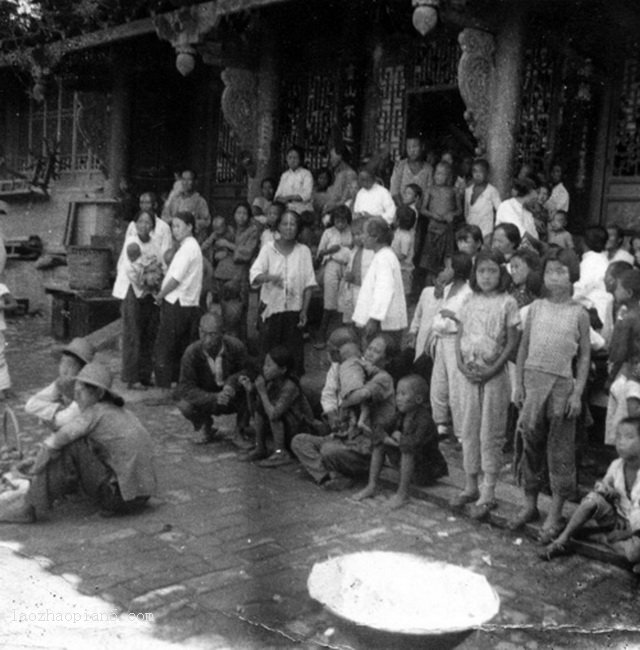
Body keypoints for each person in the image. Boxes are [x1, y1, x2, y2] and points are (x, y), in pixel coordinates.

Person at [0, 362, 156, 522]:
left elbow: (53, 443)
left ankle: (29, 508)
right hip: (141, 496)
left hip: (119, 498)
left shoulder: (95, 413)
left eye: (81, 394)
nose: (78, 398)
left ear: (100, 393)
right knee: (80, 445)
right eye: (76, 393)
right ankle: (66, 490)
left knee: (70, 446)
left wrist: (38, 468)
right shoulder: (122, 413)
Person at [509, 248, 590, 541]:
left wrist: (577, 394)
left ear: (572, 276)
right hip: (533, 384)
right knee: (529, 443)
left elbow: (583, 359)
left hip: (561, 388)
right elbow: (522, 348)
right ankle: (529, 505)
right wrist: (518, 384)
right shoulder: (536, 309)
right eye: (550, 271)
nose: (554, 277)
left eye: (561, 272)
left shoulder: (579, 313)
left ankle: (555, 515)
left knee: (560, 451)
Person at [451, 249, 520, 519]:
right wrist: (459, 362)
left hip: (494, 374)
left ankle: (488, 490)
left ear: (501, 273)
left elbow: (512, 341)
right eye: (482, 271)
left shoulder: (507, 302)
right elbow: (460, 334)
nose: (487, 276)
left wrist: (493, 368)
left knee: (490, 431)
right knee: (468, 427)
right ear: (474, 274)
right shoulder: (468, 300)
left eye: (492, 271)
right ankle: (469, 484)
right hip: (468, 373)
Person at [291, 335, 395, 490]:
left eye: (377, 352)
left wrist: (344, 404)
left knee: (328, 451)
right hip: (346, 439)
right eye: (369, 349)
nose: (370, 354)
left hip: (366, 446)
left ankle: (339, 472)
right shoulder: (359, 371)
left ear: (386, 360)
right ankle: (332, 476)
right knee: (299, 441)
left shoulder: (383, 378)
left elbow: (360, 396)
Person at [540, 416, 640, 565]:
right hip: (617, 518)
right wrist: (607, 489)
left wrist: (626, 533)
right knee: (592, 499)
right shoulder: (617, 465)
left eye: (629, 437)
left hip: (636, 527)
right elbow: (604, 484)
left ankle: (601, 538)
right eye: (618, 436)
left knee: (633, 554)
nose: (621, 442)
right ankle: (562, 540)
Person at [353, 374, 448, 509]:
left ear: (418, 399)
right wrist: (386, 438)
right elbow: (379, 427)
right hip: (409, 465)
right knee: (380, 441)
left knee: (407, 449)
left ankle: (402, 494)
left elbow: (413, 444)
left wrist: (398, 438)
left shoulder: (424, 420)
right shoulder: (401, 414)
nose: (398, 399)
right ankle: (372, 485)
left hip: (426, 470)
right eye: (397, 394)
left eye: (403, 394)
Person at [249, 209, 317, 376]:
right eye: (284, 224)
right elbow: (254, 275)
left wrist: (304, 311)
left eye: (292, 224)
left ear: (298, 228)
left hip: (293, 311)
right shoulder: (268, 249)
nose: (288, 228)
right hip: (271, 310)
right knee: (268, 355)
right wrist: (271, 277)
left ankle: (291, 392)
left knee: (293, 358)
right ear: (278, 227)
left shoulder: (304, 251)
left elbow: (309, 284)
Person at [176, 312, 249, 445]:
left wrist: (232, 383)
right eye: (204, 333)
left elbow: (248, 370)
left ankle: (240, 430)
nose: (207, 339)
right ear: (199, 331)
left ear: (222, 333)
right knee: (184, 404)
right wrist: (214, 397)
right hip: (208, 397)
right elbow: (186, 388)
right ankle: (204, 425)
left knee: (250, 390)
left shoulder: (236, 346)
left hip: (232, 396)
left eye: (213, 334)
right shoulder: (191, 353)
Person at [238, 345, 315, 467]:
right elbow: (255, 412)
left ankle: (280, 452)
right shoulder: (272, 382)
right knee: (260, 409)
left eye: (269, 366)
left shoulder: (290, 386)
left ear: (283, 369)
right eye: (265, 365)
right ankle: (260, 447)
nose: (265, 369)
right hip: (286, 427)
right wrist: (250, 391)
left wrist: (262, 393)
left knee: (274, 415)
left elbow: (274, 415)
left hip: (300, 429)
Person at [153, 211, 203, 394]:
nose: (175, 230)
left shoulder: (189, 248)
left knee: (165, 346)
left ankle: (164, 389)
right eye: (173, 226)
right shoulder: (188, 247)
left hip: (178, 302)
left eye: (179, 226)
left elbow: (175, 279)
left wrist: (160, 295)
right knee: (179, 346)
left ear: (190, 227)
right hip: (185, 303)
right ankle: (177, 386)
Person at [113, 210, 163, 389]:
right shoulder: (132, 244)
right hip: (132, 290)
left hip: (149, 292)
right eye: (141, 221)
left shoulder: (155, 243)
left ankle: (144, 374)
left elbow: (160, 264)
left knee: (149, 332)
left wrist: (156, 281)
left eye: (148, 222)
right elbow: (131, 270)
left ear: (153, 226)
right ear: (135, 224)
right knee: (132, 333)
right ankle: (131, 377)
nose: (144, 225)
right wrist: (146, 282)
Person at [427, 252, 473, 441]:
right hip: (441, 339)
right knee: (439, 382)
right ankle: (440, 423)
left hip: (456, 339)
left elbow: (469, 320)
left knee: (457, 385)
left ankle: (462, 431)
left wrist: (453, 316)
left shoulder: (468, 293)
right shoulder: (447, 289)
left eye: (448, 267)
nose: (445, 271)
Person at [352, 217, 407, 348]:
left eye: (364, 233)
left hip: (383, 324)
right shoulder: (382, 256)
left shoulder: (384, 258)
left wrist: (374, 318)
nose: (362, 237)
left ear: (375, 237)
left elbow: (384, 290)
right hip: (383, 322)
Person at [25, 337, 94, 430]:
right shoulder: (60, 383)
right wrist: (57, 408)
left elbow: (63, 419)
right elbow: (30, 405)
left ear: (82, 370)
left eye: (71, 365)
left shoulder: (86, 390)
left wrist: (47, 414)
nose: (64, 369)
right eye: (62, 363)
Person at [315, 205, 353, 346]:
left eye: (343, 221)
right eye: (337, 221)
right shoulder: (328, 233)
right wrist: (329, 251)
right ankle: (321, 334)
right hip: (332, 264)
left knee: (347, 299)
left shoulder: (352, 232)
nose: (340, 224)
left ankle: (344, 338)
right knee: (329, 299)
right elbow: (319, 255)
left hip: (348, 267)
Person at [418, 161, 462, 283]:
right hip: (432, 229)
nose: (439, 177)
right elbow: (422, 209)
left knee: (446, 260)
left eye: (442, 174)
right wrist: (433, 215)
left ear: (448, 176)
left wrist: (451, 214)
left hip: (447, 230)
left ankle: (443, 285)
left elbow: (459, 210)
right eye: (437, 173)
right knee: (430, 263)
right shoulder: (430, 190)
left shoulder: (454, 191)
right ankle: (428, 288)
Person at [337, 216, 373, 325]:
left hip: (364, 292)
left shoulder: (371, 252)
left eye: (359, 234)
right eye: (354, 234)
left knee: (362, 321)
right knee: (351, 317)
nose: (356, 237)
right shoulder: (354, 250)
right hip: (352, 289)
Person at [125, 192, 173, 262]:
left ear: (155, 205)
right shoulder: (133, 225)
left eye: (147, 203)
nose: (144, 206)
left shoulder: (164, 227)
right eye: (141, 203)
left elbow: (165, 252)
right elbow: (126, 249)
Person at [464, 158, 501, 242]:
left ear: (487, 173)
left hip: (486, 233)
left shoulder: (492, 191)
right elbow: (466, 211)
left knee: (484, 253)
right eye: (474, 171)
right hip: (471, 230)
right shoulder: (468, 190)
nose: (477, 175)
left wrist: (493, 230)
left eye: (481, 171)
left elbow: (500, 210)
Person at [389, 136, 433, 205]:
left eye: (415, 146)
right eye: (408, 147)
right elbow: (394, 191)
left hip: (420, 211)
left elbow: (429, 193)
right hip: (401, 209)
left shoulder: (428, 169)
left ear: (422, 147)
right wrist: (404, 209)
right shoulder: (400, 166)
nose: (412, 150)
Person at [274, 146, 314, 215]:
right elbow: (277, 195)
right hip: (285, 208)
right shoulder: (285, 175)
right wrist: (282, 200)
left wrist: (288, 198)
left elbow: (307, 195)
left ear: (300, 159)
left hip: (302, 209)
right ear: (286, 159)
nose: (292, 160)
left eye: (295, 158)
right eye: (290, 157)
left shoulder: (306, 174)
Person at [322, 144, 358, 215]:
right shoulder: (337, 173)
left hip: (341, 212)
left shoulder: (350, 174)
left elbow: (346, 199)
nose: (330, 160)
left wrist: (331, 207)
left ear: (340, 157)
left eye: (332, 157)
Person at [392, 206, 416, 298]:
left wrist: (391, 255)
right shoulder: (398, 232)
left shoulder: (406, 237)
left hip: (404, 270)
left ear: (398, 220)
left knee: (402, 292)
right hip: (398, 268)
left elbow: (403, 255)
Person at [0, 279, 16, 398]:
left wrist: (2, 307)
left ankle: (4, 387)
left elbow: (13, 304)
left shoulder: (1, 287)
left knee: (0, 358)